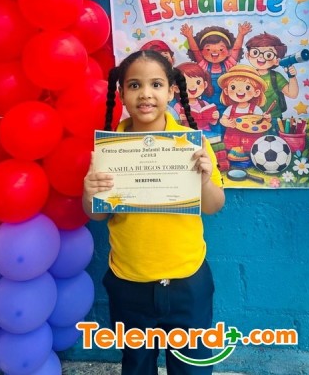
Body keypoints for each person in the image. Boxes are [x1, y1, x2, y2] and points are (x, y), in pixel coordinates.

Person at [83, 50, 225, 375]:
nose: (145, 94)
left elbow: (214, 205)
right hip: (129, 281)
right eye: (134, 85)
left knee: (192, 367)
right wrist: (89, 194)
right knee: (136, 365)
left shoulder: (192, 146)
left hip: (187, 279)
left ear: (172, 91)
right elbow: (98, 215)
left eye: (156, 84)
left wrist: (204, 180)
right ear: (121, 93)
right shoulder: (110, 150)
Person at [245, 32, 299, 122]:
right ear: (247, 55)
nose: (261, 57)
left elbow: (292, 94)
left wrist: (292, 77)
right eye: (255, 52)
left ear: (277, 61)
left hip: (274, 118)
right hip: (251, 118)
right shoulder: (247, 75)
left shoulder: (276, 77)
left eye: (268, 55)